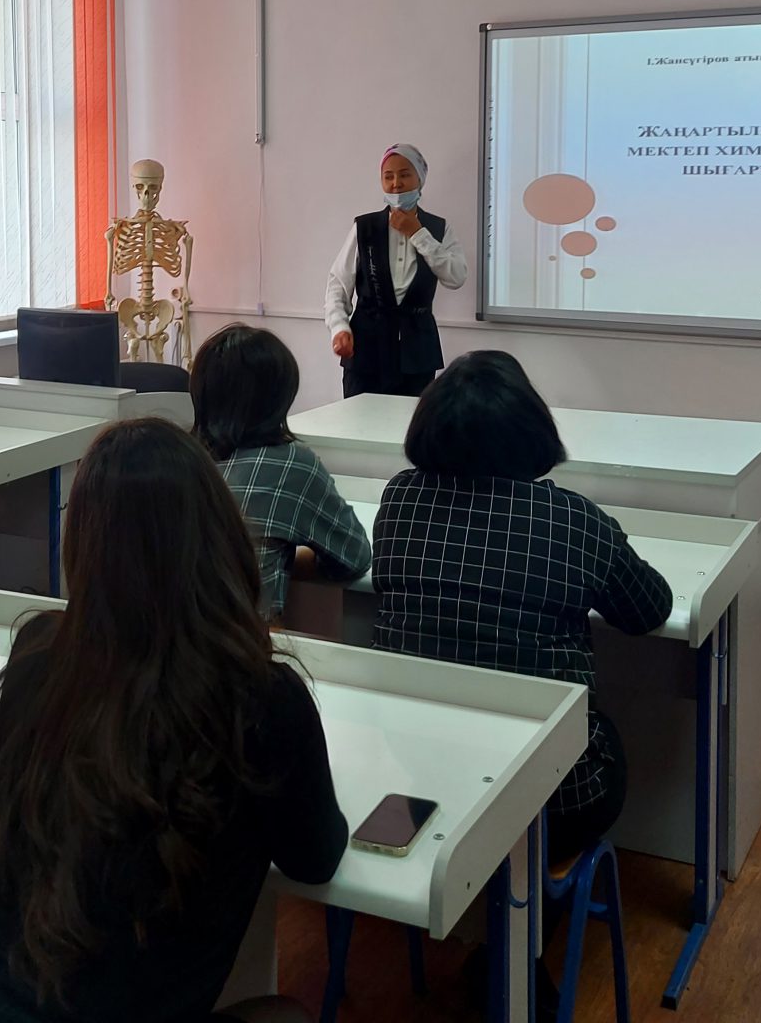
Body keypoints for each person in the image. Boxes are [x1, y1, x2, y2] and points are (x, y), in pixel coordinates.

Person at [0, 418, 346, 1023]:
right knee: (287, 1014)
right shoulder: (262, 700)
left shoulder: (42, 658)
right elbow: (316, 858)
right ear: (220, 538)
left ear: (84, 544)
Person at [372, 352, 671, 863]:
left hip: (426, 775)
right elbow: (649, 610)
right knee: (605, 740)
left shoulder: (400, 498)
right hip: (552, 798)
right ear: (531, 430)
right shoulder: (572, 519)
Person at [191, 324, 370, 619]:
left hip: (164, 640)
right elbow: (355, 557)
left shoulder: (176, 456)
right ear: (277, 398)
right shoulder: (291, 464)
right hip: (247, 641)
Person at [323, 144, 467, 398]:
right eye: (388, 177)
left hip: (418, 351)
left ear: (420, 179)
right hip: (366, 348)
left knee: (412, 420)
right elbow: (338, 284)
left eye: (404, 175)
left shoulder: (438, 228)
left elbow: (456, 277)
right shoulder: (364, 227)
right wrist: (339, 327)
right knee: (358, 418)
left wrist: (418, 233)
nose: (396, 184)